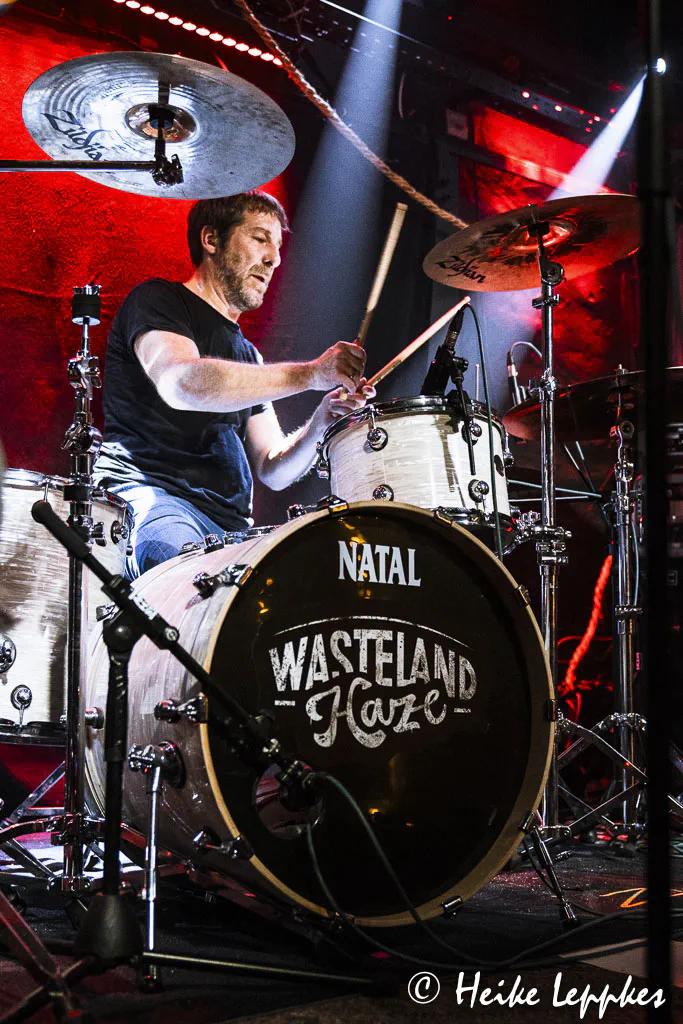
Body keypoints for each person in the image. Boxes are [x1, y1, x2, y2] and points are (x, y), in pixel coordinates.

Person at [95, 190, 373, 576]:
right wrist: (311, 374)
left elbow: (273, 467)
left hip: (228, 528)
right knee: (181, 571)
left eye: (277, 247)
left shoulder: (248, 356)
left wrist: (322, 422)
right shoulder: (159, 300)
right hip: (156, 498)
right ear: (211, 239)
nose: (274, 259)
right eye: (260, 238)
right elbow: (181, 383)